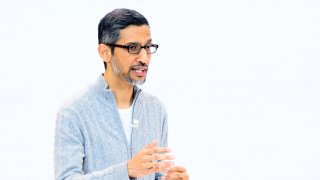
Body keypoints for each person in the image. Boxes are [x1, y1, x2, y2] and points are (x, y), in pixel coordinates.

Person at [54, 8, 189, 180]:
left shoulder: (155, 109)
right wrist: (125, 171)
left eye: (148, 47)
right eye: (133, 48)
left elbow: (156, 173)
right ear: (105, 52)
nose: (144, 58)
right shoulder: (74, 112)